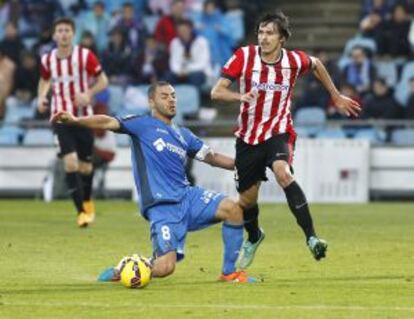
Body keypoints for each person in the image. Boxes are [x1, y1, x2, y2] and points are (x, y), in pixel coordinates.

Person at [51, 81, 255, 283]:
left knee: (233, 210)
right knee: (165, 268)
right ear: (151, 101)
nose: (171, 100)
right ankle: (124, 268)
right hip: (162, 207)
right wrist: (76, 121)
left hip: (187, 197)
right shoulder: (141, 125)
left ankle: (228, 273)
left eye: (173, 96)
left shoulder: (183, 134)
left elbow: (212, 157)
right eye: (164, 96)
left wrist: (244, 165)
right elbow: (106, 122)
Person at [211, 12, 361, 269]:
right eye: (260, 32)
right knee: (247, 201)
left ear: (282, 38)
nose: (263, 37)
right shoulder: (244, 56)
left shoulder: (293, 60)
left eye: (270, 33)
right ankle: (255, 236)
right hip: (248, 137)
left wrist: (335, 96)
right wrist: (241, 97)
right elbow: (216, 91)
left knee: (283, 174)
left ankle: (312, 237)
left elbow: (316, 64)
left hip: (279, 131)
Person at [37, 17, 109, 227]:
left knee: (86, 167)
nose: (63, 34)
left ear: (73, 34)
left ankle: (87, 200)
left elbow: (103, 81)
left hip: (83, 117)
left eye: (67, 30)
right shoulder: (47, 59)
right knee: (70, 162)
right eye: (59, 30)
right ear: (54, 35)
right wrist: (41, 96)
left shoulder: (84, 56)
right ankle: (81, 213)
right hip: (60, 117)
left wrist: (89, 93)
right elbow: (44, 79)